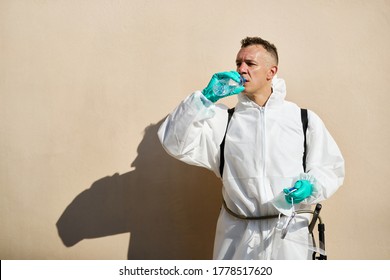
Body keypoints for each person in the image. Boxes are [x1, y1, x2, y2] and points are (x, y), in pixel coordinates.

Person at [157, 36, 345, 260]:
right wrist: (204, 99)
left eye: (250, 64)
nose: (241, 69)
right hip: (237, 240)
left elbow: (330, 168)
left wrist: (311, 186)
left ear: (271, 72)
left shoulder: (303, 119)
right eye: (239, 63)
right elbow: (174, 142)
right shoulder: (223, 121)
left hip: (288, 239)